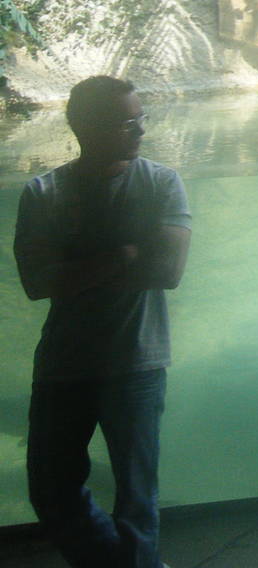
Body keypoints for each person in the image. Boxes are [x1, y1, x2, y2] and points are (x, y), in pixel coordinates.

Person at [13, 76, 192, 568]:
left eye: (141, 121)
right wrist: (127, 251)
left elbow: (168, 272)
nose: (139, 132)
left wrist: (80, 267)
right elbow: (37, 282)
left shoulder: (161, 181)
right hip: (63, 366)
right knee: (51, 492)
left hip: (137, 362)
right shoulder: (43, 191)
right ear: (84, 127)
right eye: (126, 123)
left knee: (137, 499)